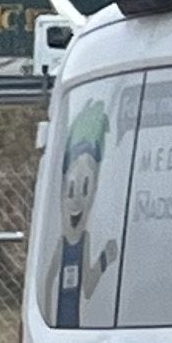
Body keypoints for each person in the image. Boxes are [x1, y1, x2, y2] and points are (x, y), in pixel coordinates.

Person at [48, 90, 123, 328]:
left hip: (75, 318)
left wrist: (103, 260)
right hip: (61, 318)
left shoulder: (86, 241)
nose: (77, 201)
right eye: (70, 190)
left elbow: (89, 285)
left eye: (85, 189)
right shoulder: (61, 244)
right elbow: (48, 281)